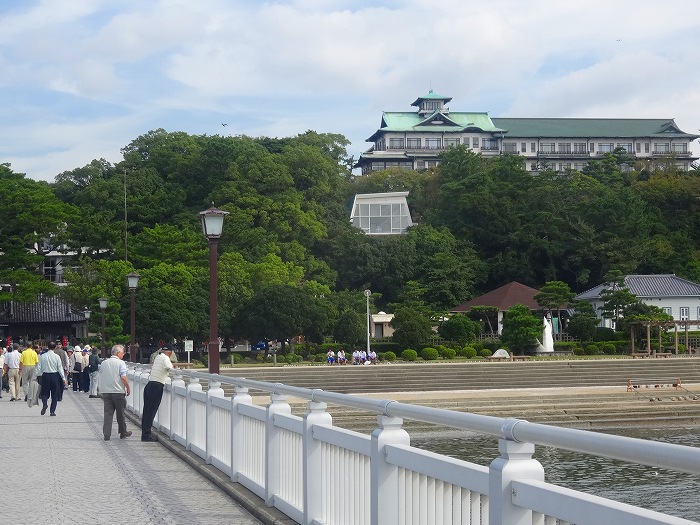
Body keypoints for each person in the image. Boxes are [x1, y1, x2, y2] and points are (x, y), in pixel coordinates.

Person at [141, 344, 174, 442]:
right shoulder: (165, 358)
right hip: (157, 386)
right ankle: (146, 435)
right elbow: (169, 367)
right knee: (151, 411)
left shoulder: (158, 357)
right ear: (170, 352)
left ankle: (144, 433)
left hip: (149, 385)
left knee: (146, 410)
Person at [97, 344, 132, 441]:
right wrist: (128, 387)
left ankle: (106, 434)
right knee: (120, 413)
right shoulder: (121, 363)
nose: (123, 355)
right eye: (122, 353)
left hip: (106, 391)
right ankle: (123, 432)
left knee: (108, 413)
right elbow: (123, 377)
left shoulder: (104, 363)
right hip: (118, 391)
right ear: (118, 353)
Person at [35, 341, 67, 416]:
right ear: (55, 347)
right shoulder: (57, 357)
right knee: (54, 394)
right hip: (55, 375)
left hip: (45, 375)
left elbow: (38, 367)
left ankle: (45, 404)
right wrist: (63, 378)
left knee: (44, 392)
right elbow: (60, 368)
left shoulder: (42, 356)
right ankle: (52, 411)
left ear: (47, 347)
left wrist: (36, 375)